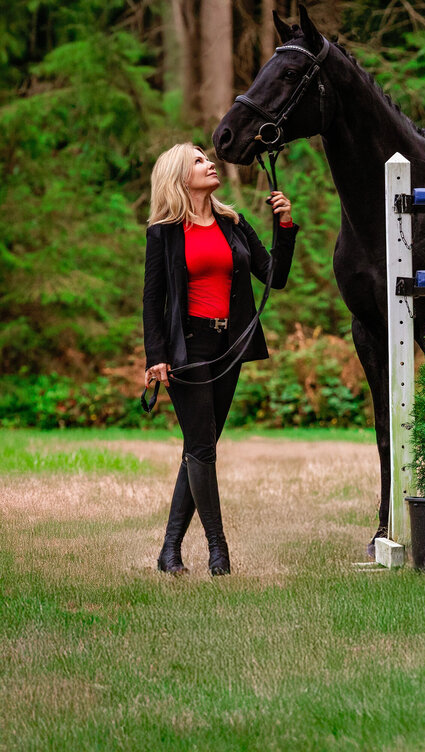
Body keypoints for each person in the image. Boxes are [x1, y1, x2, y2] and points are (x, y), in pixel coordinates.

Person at [143, 143, 298, 576]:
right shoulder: (164, 232)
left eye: (206, 158)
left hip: (229, 346)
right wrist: (156, 356)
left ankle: (169, 552)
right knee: (202, 448)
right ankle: (218, 551)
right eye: (198, 161)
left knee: (200, 448)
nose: (209, 163)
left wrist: (284, 225)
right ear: (179, 176)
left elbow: (275, 276)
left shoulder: (233, 223)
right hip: (187, 349)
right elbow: (152, 299)